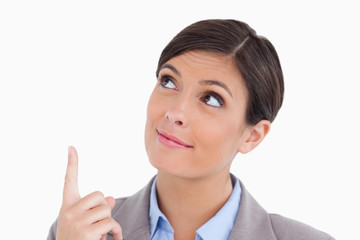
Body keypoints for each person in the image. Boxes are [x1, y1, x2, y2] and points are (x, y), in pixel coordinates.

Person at [48, 19, 335, 240]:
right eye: (169, 82)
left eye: (211, 98)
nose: (174, 113)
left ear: (252, 135)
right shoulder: (81, 231)